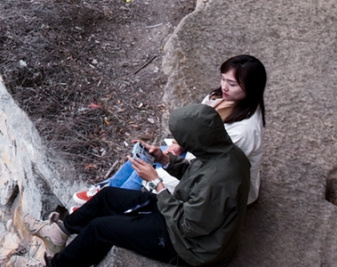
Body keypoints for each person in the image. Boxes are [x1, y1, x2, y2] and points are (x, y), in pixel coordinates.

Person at [11, 103, 250, 267]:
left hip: (190, 245)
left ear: (197, 140)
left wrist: (156, 183)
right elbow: (196, 176)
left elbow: (189, 226)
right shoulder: (224, 154)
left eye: (183, 139)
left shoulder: (217, 180)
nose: (179, 142)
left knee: (102, 228)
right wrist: (166, 160)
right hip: (185, 214)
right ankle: (59, 231)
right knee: (109, 196)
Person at [89, 55, 267, 203]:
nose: (224, 87)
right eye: (223, 79)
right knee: (143, 157)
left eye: (232, 84)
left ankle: (109, 202)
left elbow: (216, 171)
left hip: (212, 183)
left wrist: (167, 164)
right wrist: (179, 145)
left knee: (146, 175)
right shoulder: (220, 97)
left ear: (250, 88)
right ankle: (110, 188)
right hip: (198, 157)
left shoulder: (244, 132)